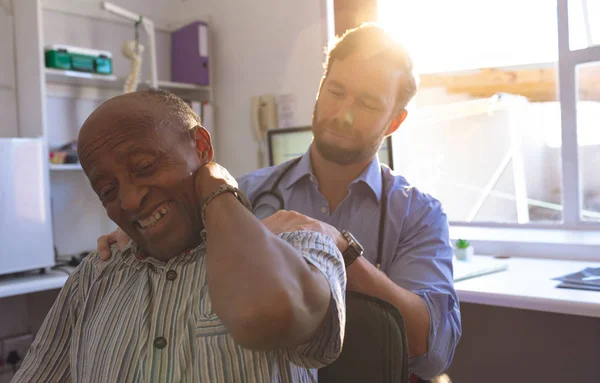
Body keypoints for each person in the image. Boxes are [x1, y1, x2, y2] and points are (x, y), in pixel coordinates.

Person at [98, 23, 461, 380]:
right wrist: (140, 233)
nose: (343, 112)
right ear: (320, 89)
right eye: (335, 91)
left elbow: (432, 352)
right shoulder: (242, 196)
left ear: (394, 122)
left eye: (367, 103)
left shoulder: (419, 215)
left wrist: (341, 248)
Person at [13, 90, 347, 383]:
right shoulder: (94, 277)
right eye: (107, 190)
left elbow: (266, 313)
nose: (128, 200)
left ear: (201, 147)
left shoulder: (297, 245)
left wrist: (217, 187)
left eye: (144, 166)